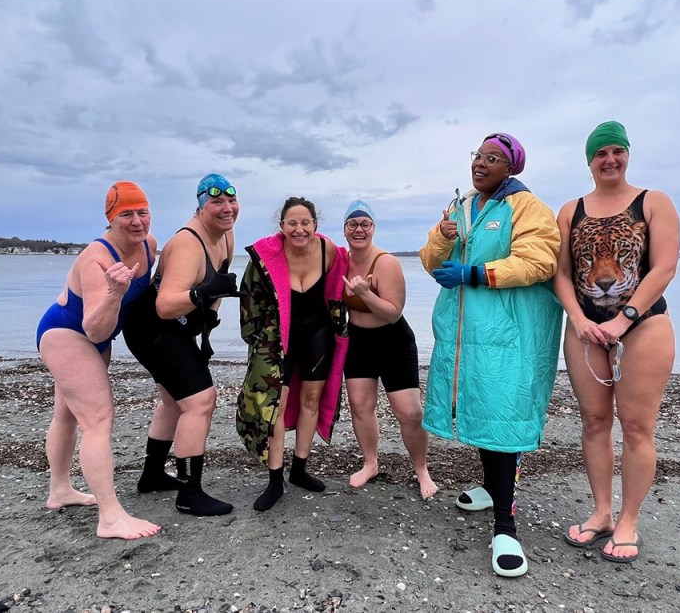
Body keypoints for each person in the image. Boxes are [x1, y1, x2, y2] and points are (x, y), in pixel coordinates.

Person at [419, 133, 563, 577]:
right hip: (467, 335)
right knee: (480, 409)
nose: (480, 164)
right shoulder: (461, 207)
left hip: (509, 335)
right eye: (478, 156)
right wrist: (444, 239)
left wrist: (477, 272)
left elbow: (540, 262)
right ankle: (488, 487)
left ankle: (506, 527)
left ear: (511, 167)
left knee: (503, 416)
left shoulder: (527, 208)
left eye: (492, 158)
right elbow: (428, 260)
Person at [553, 121, 679, 564]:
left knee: (637, 427)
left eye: (616, 151)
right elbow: (563, 273)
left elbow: (663, 268)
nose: (609, 160)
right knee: (593, 422)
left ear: (626, 154)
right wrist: (577, 317)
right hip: (585, 329)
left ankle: (629, 520)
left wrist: (624, 319)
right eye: (600, 153)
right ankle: (602, 512)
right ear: (589, 160)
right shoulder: (571, 210)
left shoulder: (653, 202)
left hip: (643, 326)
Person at [34, 181, 161, 540]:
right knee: (98, 418)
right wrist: (114, 293)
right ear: (110, 218)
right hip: (67, 334)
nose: (136, 222)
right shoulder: (97, 259)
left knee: (66, 412)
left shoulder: (149, 246)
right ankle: (110, 516)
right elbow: (94, 328)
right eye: (126, 214)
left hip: (89, 337)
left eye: (142, 212)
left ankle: (59, 490)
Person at [122, 174, 240, 517]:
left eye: (231, 201)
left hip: (172, 329)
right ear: (201, 206)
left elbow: (217, 284)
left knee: (175, 402)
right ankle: (190, 492)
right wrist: (200, 294)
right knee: (201, 401)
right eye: (216, 203)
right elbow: (166, 305)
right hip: (152, 327)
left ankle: (153, 474)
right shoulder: (189, 244)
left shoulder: (225, 232)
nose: (227, 208)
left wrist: (210, 319)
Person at [237, 197, 349, 511]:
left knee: (311, 399)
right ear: (282, 226)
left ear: (315, 224)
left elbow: (342, 290)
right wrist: (254, 340)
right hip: (278, 339)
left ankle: (299, 469)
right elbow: (250, 299)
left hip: (318, 334)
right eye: (292, 223)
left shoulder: (329, 252)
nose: (299, 229)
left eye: (305, 223)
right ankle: (275, 480)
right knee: (276, 404)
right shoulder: (266, 255)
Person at [340, 200, 439, 499]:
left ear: (373, 228)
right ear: (345, 230)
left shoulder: (386, 263)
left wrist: (365, 294)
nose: (359, 229)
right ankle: (370, 463)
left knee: (409, 412)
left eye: (365, 224)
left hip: (394, 341)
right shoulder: (340, 261)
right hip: (358, 341)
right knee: (360, 405)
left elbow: (393, 313)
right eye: (353, 224)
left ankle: (421, 469)